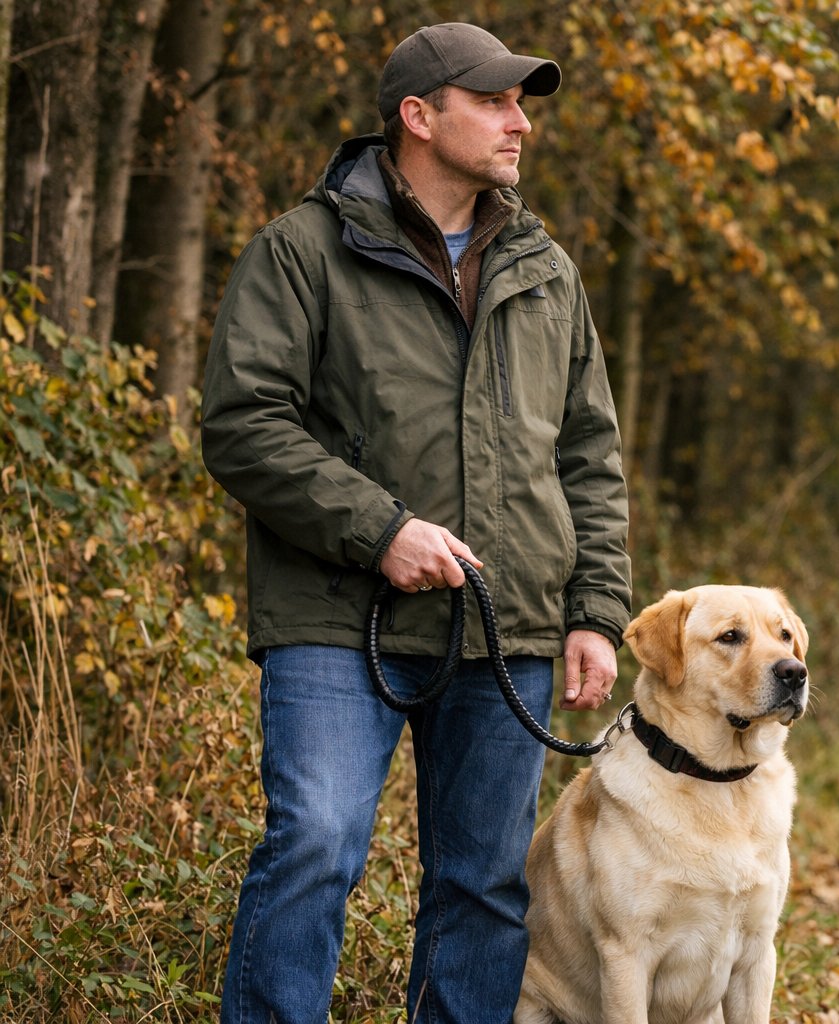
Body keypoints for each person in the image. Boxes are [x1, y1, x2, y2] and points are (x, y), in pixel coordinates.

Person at [201, 22, 631, 1024]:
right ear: (420, 115)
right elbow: (241, 422)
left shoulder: (544, 267)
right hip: (334, 613)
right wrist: (380, 527)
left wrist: (595, 609)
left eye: (522, 103)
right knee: (313, 845)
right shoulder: (301, 249)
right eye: (494, 100)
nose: (520, 122)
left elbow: (589, 456)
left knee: (483, 886)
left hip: (507, 622)